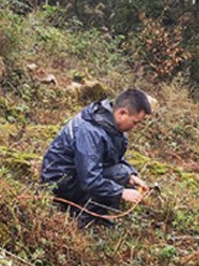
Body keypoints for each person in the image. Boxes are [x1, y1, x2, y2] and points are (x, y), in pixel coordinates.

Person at [40, 88, 152, 228]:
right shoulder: (89, 131)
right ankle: (82, 219)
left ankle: (96, 212)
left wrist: (131, 175)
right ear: (122, 113)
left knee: (122, 173)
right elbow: (90, 180)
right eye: (135, 122)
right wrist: (121, 192)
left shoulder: (113, 128)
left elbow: (114, 160)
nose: (135, 127)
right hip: (60, 181)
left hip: (77, 175)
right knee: (117, 175)